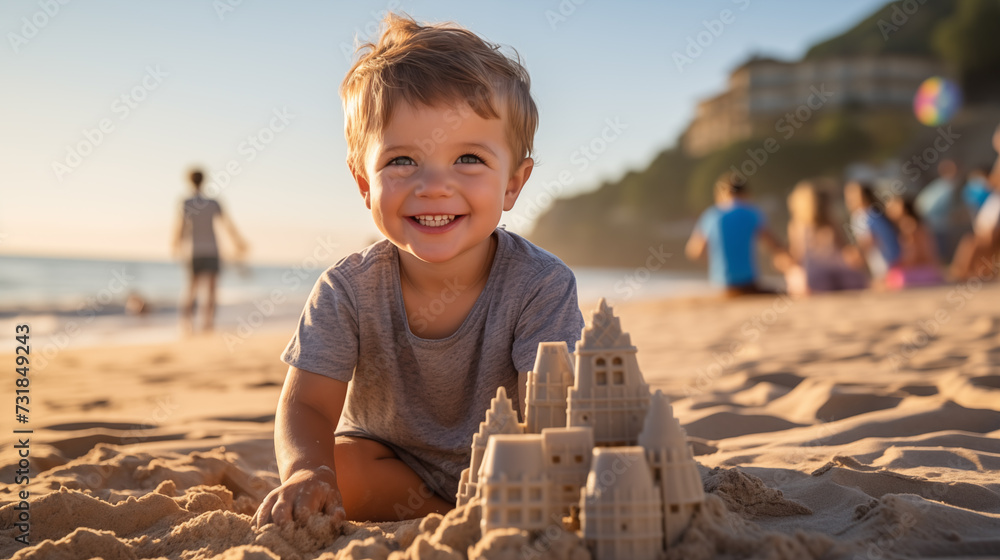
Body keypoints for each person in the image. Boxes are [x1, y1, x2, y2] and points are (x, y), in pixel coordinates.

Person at [251, 14, 585, 530]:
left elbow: (553, 403)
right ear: (364, 183)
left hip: (508, 465)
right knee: (341, 465)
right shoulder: (348, 289)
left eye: (468, 158)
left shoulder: (541, 283)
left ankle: (484, 509)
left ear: (513, 184)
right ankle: (446, 517)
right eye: (403, 160)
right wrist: (303, 472)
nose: (433, 186)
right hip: (394, 465)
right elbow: (310, 406)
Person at [685, 172, 787, 297]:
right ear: (746, 193)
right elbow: (774, 246)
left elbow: (694, 252)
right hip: (748, 283)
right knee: (783, 294)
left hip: (720, 286)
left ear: (719, 194)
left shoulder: (710, 215)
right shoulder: (752, 213)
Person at [172, 168, 246, 333]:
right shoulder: (213, 203)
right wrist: (238, 243)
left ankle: (187, 324)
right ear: (204, 180)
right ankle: (207, 324)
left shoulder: (186, 202)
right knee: (211, 290)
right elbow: (228, 226)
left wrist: (175, 245)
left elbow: (180, 228)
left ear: (189, 181)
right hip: (212, 250)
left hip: (194, 251)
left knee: (191, 288)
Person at [782, 179, 866, 295]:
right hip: (838, 272)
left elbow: (796, 255)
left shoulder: (796, 226)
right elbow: (843, 248)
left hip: (814, 276)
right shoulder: (831, 223)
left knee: (797, 276)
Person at [844, 181, 901, 285]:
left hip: (885, 265)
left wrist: (854, 254)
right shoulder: (876, 212)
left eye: (852, 195)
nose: (849, 199)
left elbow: (868, 242)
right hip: (896, 262)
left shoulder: (862, 215)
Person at [884, 196, 944, 289]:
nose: (889, 208)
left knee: (893, 278)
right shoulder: (916, 224)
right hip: (931, 270)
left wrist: (899, 265)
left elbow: (913, 256)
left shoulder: (909, 226)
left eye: (894, 205)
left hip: (923, 271)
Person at [914, 159, 959, 262]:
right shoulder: (944, 188)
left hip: (938, 226)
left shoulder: (944, 186)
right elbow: (927, 208)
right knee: (940, 255)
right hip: (936, 227)